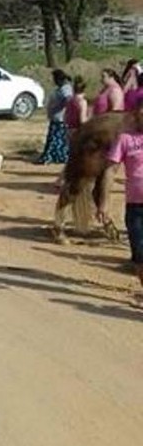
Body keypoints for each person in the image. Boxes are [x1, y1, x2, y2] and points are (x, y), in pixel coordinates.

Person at [97, 100, 143, 307]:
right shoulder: (124, 139)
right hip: (135, 206)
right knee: (140, 255)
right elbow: (110, 171)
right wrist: (103, 204)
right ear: (135, 114)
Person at [36, 68, 72, 165]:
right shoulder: (61, 88)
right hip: (56, 117)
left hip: (60, 119)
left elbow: (69, 99)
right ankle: (55, 156)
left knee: (56, 139)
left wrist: (61, 108)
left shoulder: (66, 88)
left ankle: (54, 157)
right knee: (55, 138)